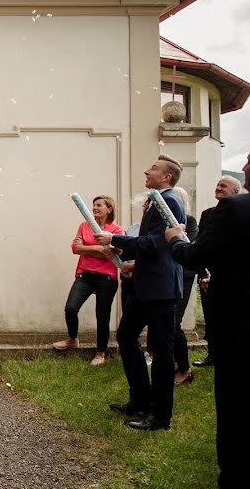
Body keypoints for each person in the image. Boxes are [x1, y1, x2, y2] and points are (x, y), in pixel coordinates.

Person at [165, 153, 250, 489]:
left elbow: (197, 255)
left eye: (249, 162)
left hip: (239, 325)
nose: (243, 168)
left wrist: (176, 240)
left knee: (234, 403)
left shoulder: (235, 209)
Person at [95, 155, 185, 431]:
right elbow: (150, 246)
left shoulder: (168, 201)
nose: (147, 171)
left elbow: (158, 244)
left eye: (154, 169)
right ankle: (140, 401)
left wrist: (115, 239)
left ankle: (160, 416)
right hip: (148, 284)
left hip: (160, 288)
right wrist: (130, 259)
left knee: (160, 349)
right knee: (125, 335)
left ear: (167, 177)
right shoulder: (158, 199)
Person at [52, 195, 123, 366]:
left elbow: (115, 254)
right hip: (85, 275)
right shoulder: (84, 226)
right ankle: (72, 339)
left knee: (102, 316)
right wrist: (98, 248)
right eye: (94, 205)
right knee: (70, 308)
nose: (95, 208)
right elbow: (76, 249)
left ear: (109, 209)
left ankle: (100, 353)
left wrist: (88, 249)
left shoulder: (116, 231)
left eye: (99, 205)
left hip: (107, 278)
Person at [193, 175, 242, 368]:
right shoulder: (207, 214)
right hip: (208, 274)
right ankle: (213, 355)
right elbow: (200, 245)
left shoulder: (240, 213)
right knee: (211, 316)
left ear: (235, 192)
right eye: (217, 185)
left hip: (229, 276)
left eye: (224, 186)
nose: (218, 188)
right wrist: (203, 274)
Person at [169, 187, 198, 385]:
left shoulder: (190, 220)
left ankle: (185, 369)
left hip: (183, 275)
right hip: (168, 274)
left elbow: (190, 247)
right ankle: (172, 363)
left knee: (174, 322)